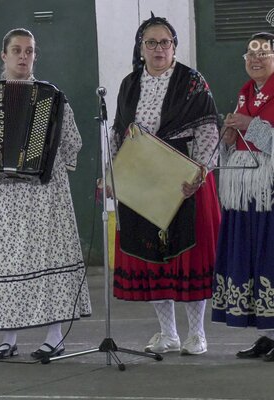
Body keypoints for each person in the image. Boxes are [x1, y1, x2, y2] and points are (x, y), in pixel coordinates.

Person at [0, 28, 92, 359]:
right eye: (17, 50)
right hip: (0, 196)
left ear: (35, 56)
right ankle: (8, 337)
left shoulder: (53, 97)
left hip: (43, 193)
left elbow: (72, 141)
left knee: (48, 258)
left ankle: (54, 336)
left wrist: (47, 159)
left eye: (29, 51)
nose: (23, 56)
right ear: (4, 55)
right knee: (3, 262)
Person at [108, 14, 221, 355]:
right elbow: (118, 132)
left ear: (174, 46)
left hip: (184, 176)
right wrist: (114, 174)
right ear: (140, 48)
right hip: (142, 177)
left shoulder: (192, 81)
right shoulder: (130, 83)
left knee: (188, 256)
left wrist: (199, 172)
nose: (159, 49)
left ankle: (197, 334)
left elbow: (208, 129)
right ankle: (168, 333)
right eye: (151, 43)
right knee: (152, 255)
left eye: (165, 42)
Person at [212, 32, 274, 361]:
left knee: (270, 258)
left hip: (269, 192)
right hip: (245, 192)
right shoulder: (245, 93)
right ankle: (268, 332)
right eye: (251, 54)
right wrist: (228, 136)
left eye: (264, 53)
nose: (256, 59)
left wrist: (250, 124)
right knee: (252, 260)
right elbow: (237, 142)